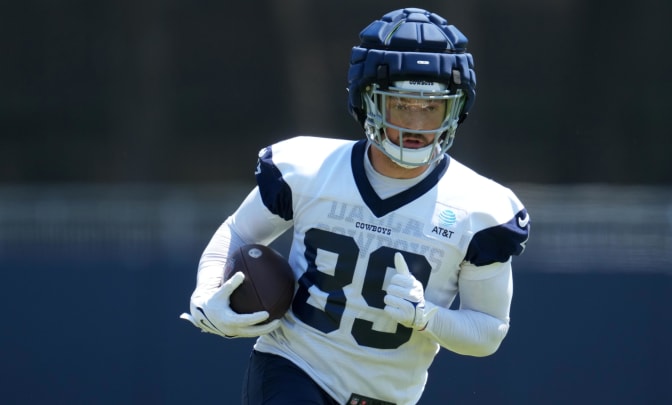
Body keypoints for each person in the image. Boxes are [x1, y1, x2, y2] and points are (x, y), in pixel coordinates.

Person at [181, 7, 530, 405]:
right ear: (368, 101)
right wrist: (206, 291)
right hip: (294, 367)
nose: (416, 125)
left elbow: (488, 331)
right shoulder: (309, 170)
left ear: (455, 109)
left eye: (431, 107)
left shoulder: (481, 209)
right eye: (401, 104)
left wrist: (428, 317)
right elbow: (239, 231)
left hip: (388, 396)